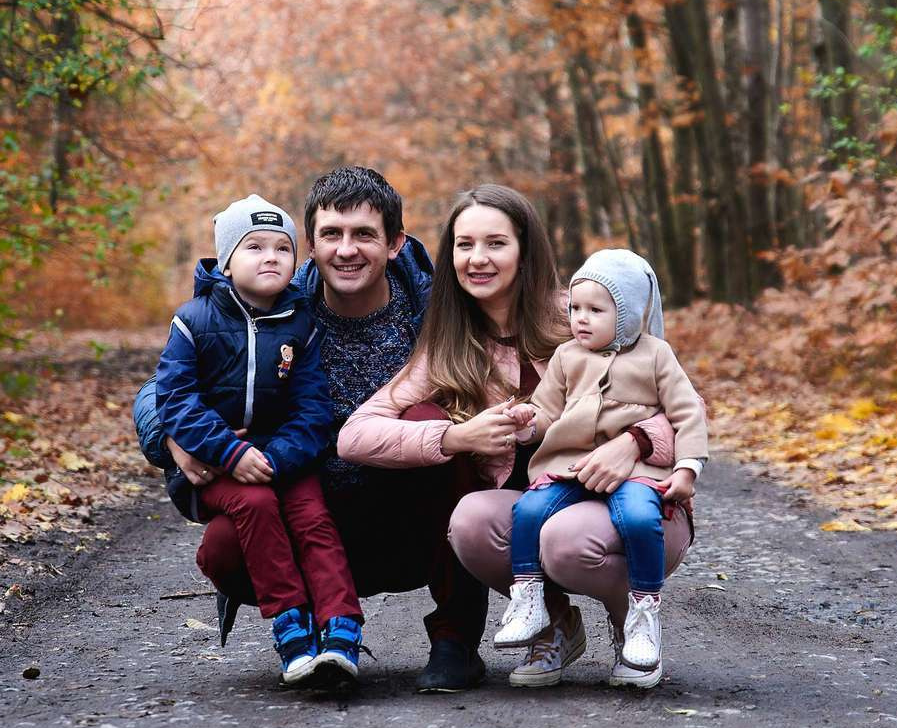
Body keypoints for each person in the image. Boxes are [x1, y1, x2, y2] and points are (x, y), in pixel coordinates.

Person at [136, 167, 489, 692]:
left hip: (409, 517)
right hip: (309, 509)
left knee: (436, 427)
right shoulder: (274, 305)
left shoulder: (435, 311)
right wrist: (168, 435)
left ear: (394, 243)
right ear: (310, 244)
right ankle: (307, 633)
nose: (347, 250)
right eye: (332, 235)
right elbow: (161, 387)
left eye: (364, 234)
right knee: (223, 545)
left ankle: (455, 641)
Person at [337, 183, 687, 688]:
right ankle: (555, 624)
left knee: (566, 541)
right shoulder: (450, 344)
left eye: (495, 243)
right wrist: (454, 438)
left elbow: (688, 407)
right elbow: (355, 435)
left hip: (635, 498)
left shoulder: (583, 313)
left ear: (525, 251)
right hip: (544, 501)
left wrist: (632, 442)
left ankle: (630, 625)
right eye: (464, 245)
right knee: (471, 522)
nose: (478, 259)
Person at [147, 194, 361, 686]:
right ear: (225, 260)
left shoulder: (300, 324)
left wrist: (276, 456)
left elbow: (313, 410)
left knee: (313, 519)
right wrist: (229, 451)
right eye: (254, 247)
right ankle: (291, 628)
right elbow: (174, 399)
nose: (270, 257)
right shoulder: (194, 320)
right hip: (215, 465)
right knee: (256, 504)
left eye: (282, 248)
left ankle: (341, 627)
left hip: (281, 458)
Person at [491, 249, 707, 688]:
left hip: (637, 472)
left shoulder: (655, 355)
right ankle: (530, 597)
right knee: (529, 511)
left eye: (596, 310)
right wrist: (526, 425)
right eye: (575, 308)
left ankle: (642, 612)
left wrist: (686, 469)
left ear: (627, 314)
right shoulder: (568, 357)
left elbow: (688, 414)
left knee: (641, 518)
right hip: (571, 468)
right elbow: (547, 412)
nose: (580, 319)